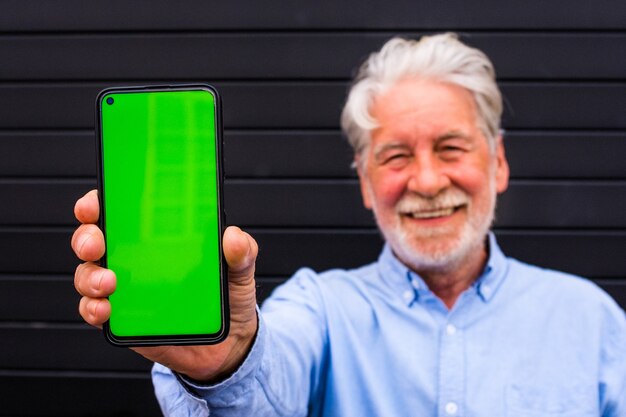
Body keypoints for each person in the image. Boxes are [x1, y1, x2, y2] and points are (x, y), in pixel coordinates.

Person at [72, 33, 626, 416]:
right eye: (396, 157)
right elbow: (270, 381)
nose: (428, 181)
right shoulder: (321, 308)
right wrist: (226, 365)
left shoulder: (593, 321)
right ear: (364, 181)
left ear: (498, 163)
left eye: (451, 147)